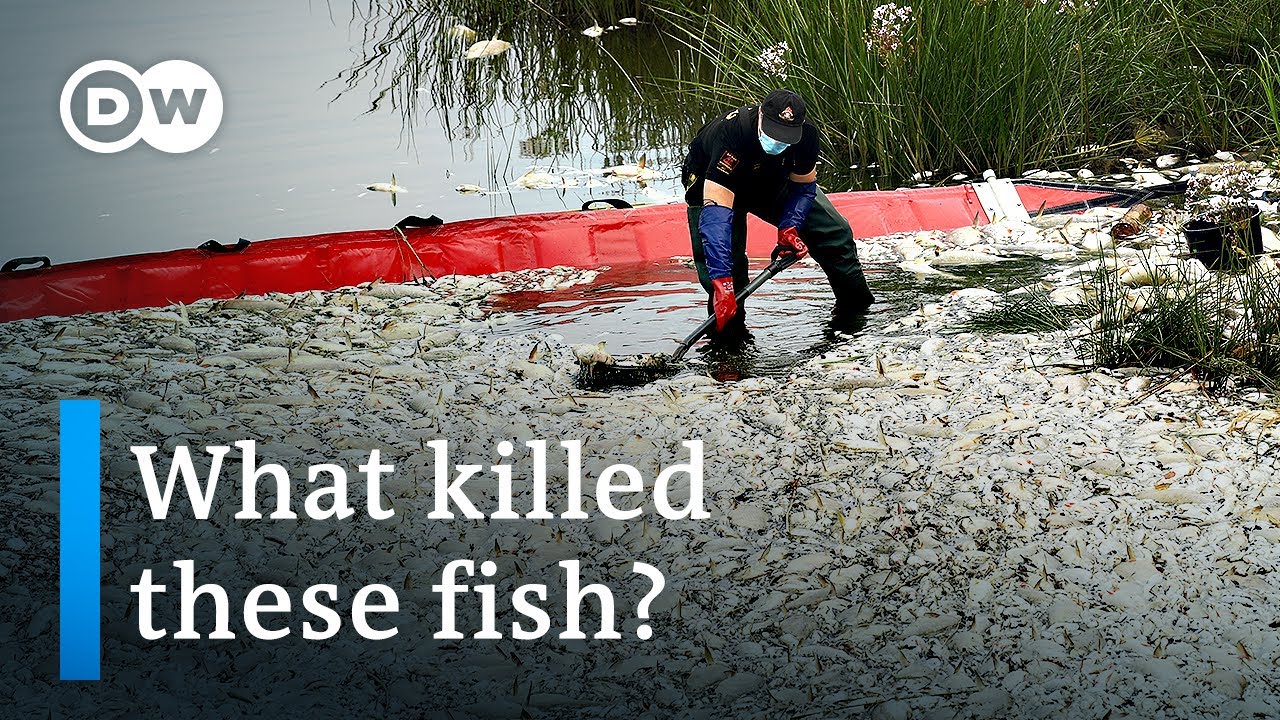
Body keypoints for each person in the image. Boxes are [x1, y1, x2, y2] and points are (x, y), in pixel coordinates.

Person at [681, 89, 875, 340]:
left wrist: (789, 227)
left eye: (785, 137)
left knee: (834, 232)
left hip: (769, 177)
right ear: (761, 115)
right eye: (773, 134)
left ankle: (857, 316)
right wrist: (722, 281)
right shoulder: (733, 133)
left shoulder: (806, 135)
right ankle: (728, 343)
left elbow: (803, 187)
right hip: (712, 183)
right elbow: (716, 222)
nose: (778, 141)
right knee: (728, 272)